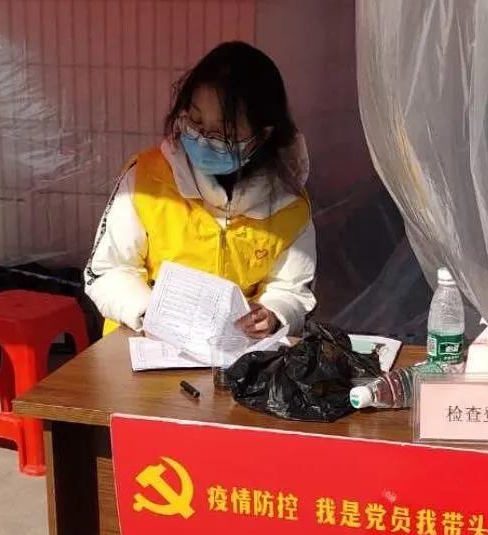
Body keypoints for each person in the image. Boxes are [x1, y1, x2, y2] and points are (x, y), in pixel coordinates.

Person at [85, 42, 316, 338]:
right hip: (142, 341)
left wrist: (273, 314)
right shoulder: (145, 179)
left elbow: (291, 288)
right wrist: (148, 312)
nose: (203, 137)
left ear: (262, 136)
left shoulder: (288, 204)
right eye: (195, 120)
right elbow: (108, 271)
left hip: (236, 351)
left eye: (223, 132)